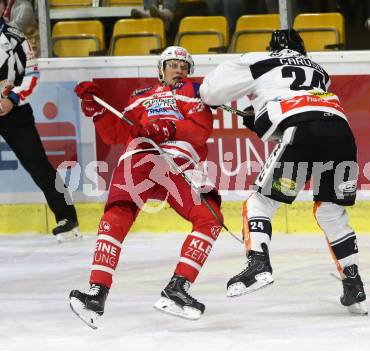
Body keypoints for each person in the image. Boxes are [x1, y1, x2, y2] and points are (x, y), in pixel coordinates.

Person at [200, 29, 367, 315]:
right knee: (330, 211)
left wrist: (243, 110)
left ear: (272, 48)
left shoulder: (261, 59)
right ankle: (353, 282)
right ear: (301, 49)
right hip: (341, 133)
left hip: (302, 130)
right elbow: (299, 99)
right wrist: (263, 118)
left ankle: (258, 263)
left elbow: (210, 92)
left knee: (260, 202)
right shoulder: (320, 70)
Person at [69, 46, 223, 328]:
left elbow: (201, 130)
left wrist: (168, 128)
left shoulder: (195, 92)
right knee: (117, 215)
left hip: (179, 159)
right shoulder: (140, 97)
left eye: (183, 66)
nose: (178, 69)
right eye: (173, 65)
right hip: (141, 155)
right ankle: (96, 293)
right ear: (161, 69)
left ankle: (177, 289)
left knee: (210, 218)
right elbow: (116, 133)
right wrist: (97, 111)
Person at [0, 0, 80, 242]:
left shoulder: (16, 38)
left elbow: (32, 73)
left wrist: (13, 98)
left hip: (14, 112)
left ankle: (68, 217)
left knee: (38, 165)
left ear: (4, 7)